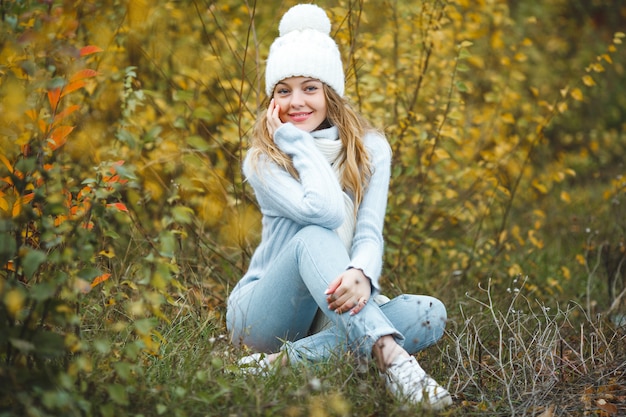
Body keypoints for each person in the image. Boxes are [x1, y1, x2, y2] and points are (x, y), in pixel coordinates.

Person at [226, 3, 452, 411]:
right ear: (271, 100)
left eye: (310, 88)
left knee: (429, 313)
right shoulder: (264, 160)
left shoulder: (372, 150)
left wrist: (363, 273)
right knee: (313, 234)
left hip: (336, 301)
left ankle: (280, 364)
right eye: (283, 90)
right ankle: (391, 358)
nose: (297, 102)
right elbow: (326, 212)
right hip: (262, 314)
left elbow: (368, 233)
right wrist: (295, 143)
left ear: (331, 94)